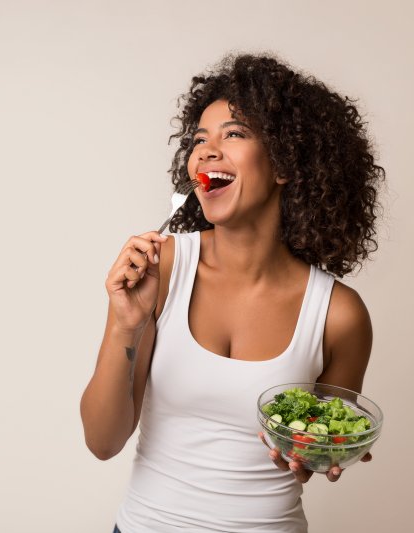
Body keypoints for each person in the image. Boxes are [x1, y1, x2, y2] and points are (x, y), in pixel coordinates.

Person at [80, 52, 385, 533]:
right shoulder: (158, 271)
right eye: (199, 140)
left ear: (285, 163)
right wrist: (126, 321)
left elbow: (310, 451)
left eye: (234, 134)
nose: (205, 151)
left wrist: (322, 452)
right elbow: (102, 441)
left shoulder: (338, 315)